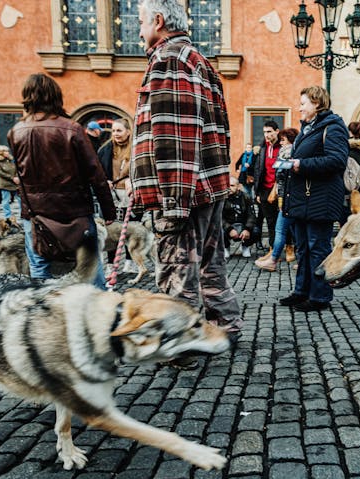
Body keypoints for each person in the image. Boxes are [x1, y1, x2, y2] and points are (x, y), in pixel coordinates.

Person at [131, 0, 242, 344]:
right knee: (210, 265)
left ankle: (181, 342)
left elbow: (174, 136)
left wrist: (173, 203)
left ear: (159, 21)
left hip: (184, 191)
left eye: (141, 22)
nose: (138, 30)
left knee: (178, 271)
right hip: (206, 186)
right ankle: (224, 327)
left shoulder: (169, 60)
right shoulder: (197, 61)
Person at [7, 73, 115, 288]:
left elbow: (19, 174)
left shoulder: (15, 132)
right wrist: (108, 210)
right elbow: (96, 173)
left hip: (35, 213)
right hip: (73, 211)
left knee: (39, 266)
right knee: (90, 266)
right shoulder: (71, 128)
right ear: (56, 95)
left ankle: (43, 312)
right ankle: (99, 312)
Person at [279, 86, 349, 312]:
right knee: (303, 249)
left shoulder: (333, 127)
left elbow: (337, 160)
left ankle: (319, 296)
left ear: (317, 103)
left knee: (317, 248)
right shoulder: (307, 129)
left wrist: (301, 165)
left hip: (320, 199)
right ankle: (302, 291)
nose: (299, 108)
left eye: (303, 103)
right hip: (303, 199)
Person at [256, 127, 299, 271]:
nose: (281, 143)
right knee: (298, 230)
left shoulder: (286, 151)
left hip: (286, 197)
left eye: (283, 140)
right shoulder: (300, 151)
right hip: (296, 197)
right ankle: (301, 259)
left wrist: (278, 167)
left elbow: (280, 174)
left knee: (280, 229)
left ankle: (273, 259)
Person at [253, 120, 281, 257]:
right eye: (264, 132)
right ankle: (272, 250)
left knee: (283, 221)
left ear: (277, 131)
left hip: (280, 190)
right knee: (270, 222)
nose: (266, 135)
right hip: (265, 190)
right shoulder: (262, 148)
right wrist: (257, 192)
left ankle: (289, 246)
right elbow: (258, 170)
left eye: (269, 131)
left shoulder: (283, 147)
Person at [97, 117, 132, 220]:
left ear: (128, 132)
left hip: (129, 195)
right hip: (111, 195)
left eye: (119, 130)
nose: (115, 133)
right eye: (113, 131)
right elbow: (98, 171)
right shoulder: (104, 150)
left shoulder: (136, 149)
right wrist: (104, 181)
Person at [222, 177, 256, 259]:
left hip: (242, 224)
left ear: (238, 186)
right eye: (227, 185)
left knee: (256, 230)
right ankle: (226, 247)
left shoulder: (246, 197)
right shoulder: (222, 198)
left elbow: (251, 215)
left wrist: (247, 229)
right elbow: (219, 217)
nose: (229, 187)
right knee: (218, 231)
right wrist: (229, 229)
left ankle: (245, 246)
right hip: (229, 225)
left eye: (232, 185)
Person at [0, 144, 20, 218]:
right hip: (5, 184)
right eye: (5, 151)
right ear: (1, 152)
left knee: (20, 199)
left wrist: (17, 177)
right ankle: (8, 216)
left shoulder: (11, 160)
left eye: (8, 151)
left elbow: (17, 168)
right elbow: (0, 173)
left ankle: (22, 214)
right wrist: (12, 178)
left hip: (15, 183)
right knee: (6, 201)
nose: (8, 152)